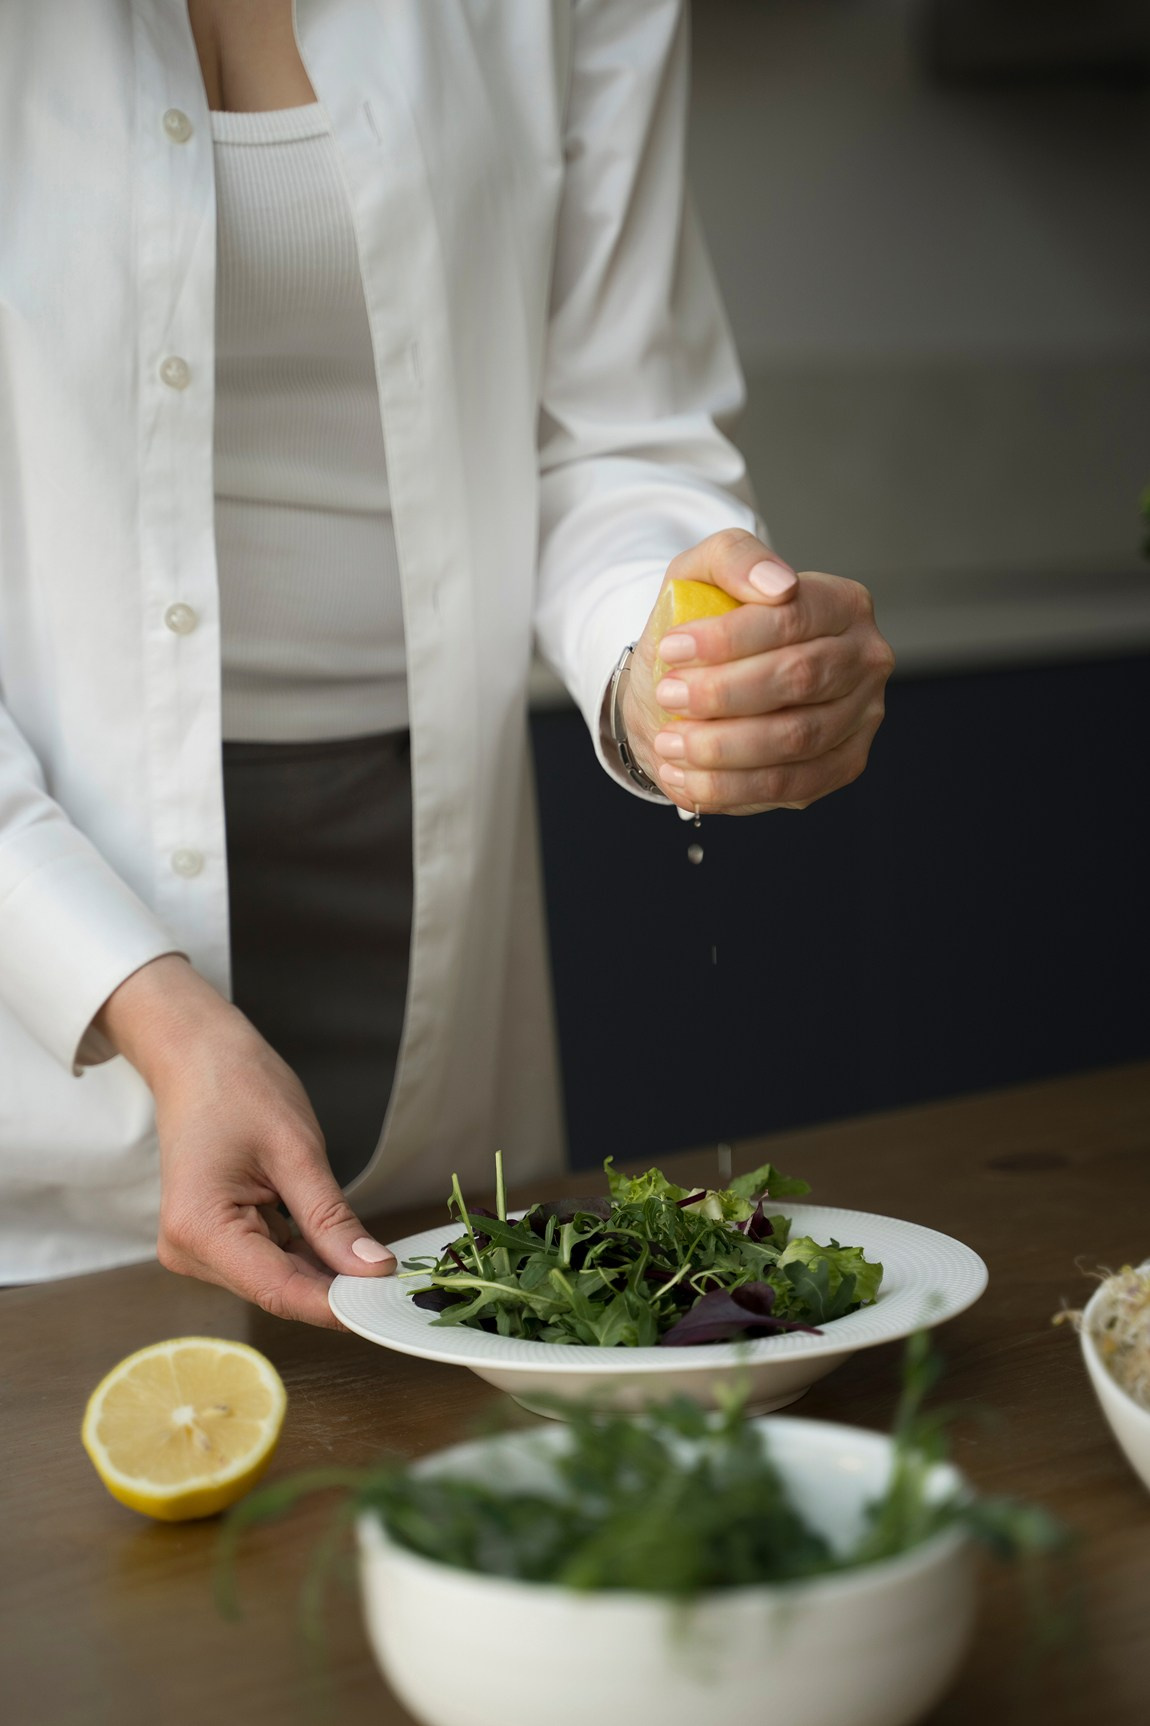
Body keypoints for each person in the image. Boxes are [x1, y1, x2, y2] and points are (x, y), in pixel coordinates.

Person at [0, 0, 893, 1325]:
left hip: (432, 901)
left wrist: (672, 666)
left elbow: (613, 427)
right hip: (42, 953)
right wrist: (150, 1008)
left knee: (445, 1412)